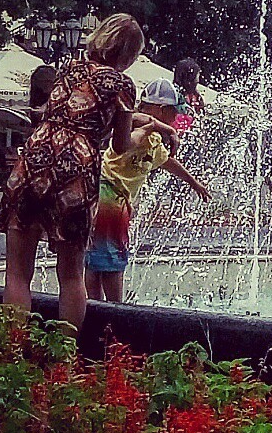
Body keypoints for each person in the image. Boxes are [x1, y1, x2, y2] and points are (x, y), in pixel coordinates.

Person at [0, 14, 157, 332]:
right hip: (75, 171)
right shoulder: (122, 84)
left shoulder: (68, 68)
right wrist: (147, 130)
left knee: (17, 272)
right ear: (128, 55)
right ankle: (63, 361)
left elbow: (67, 111)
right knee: (71, 276)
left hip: (33, 159)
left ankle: (9, 354)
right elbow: (121, 145)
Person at [86, 80, 212, 303]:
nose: (176, 119)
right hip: (109, 195)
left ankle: (95, 308)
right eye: (174, 113)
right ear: (162, 110)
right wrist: (160, 127)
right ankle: (115, 310)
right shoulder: (136, 126)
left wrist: (195, 184)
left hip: (114, 198)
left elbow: (168, 163)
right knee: (111, 259)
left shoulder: (153, 139)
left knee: (98, 257)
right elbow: (132, 121)